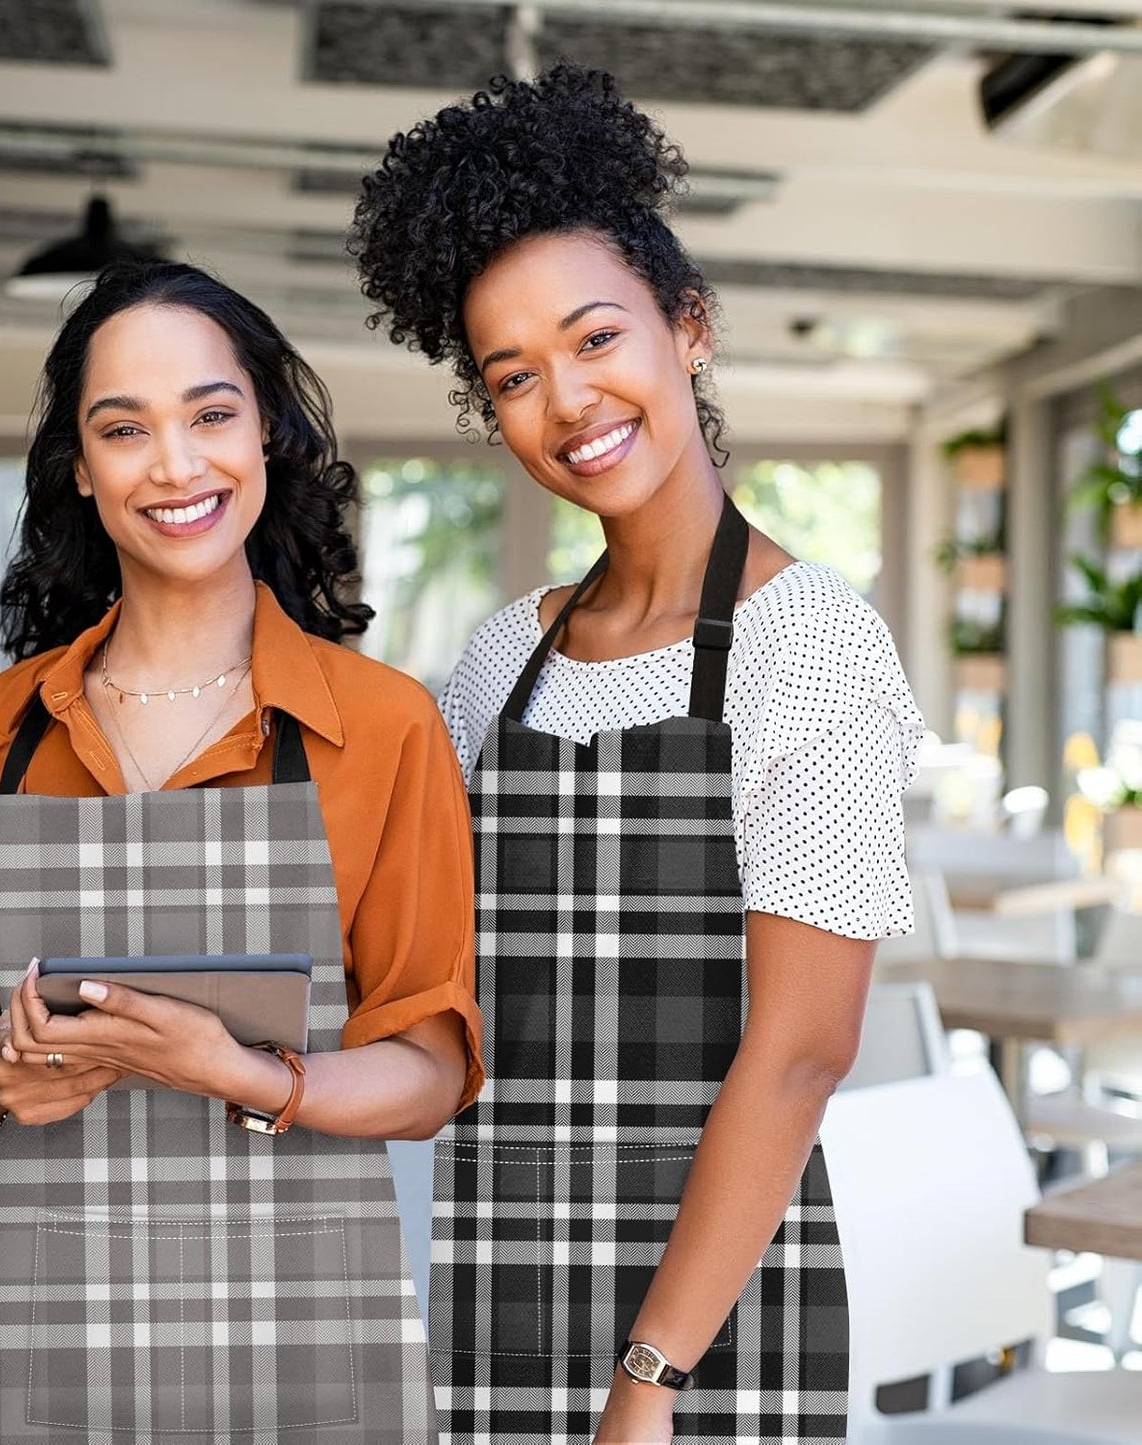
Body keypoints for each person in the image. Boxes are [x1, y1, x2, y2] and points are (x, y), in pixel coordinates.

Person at [351, 63, 925, 1445]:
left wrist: (645, 1383)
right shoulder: (500, 658)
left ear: (689, 328)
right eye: (514, 376)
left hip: (711, 1318)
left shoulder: (814, 648)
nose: (568, 399)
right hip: (500, 1275)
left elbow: (800, 1052)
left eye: (597, 337)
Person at [0, 259, 483, 1444]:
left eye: (211, 415)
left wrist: (243, 1072)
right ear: (82, 466)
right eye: (126, 429)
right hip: (49, 1341)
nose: (175, 465)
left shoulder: (379, 727)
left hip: (316, 1347)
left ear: (265, 431)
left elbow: (430, 1067)